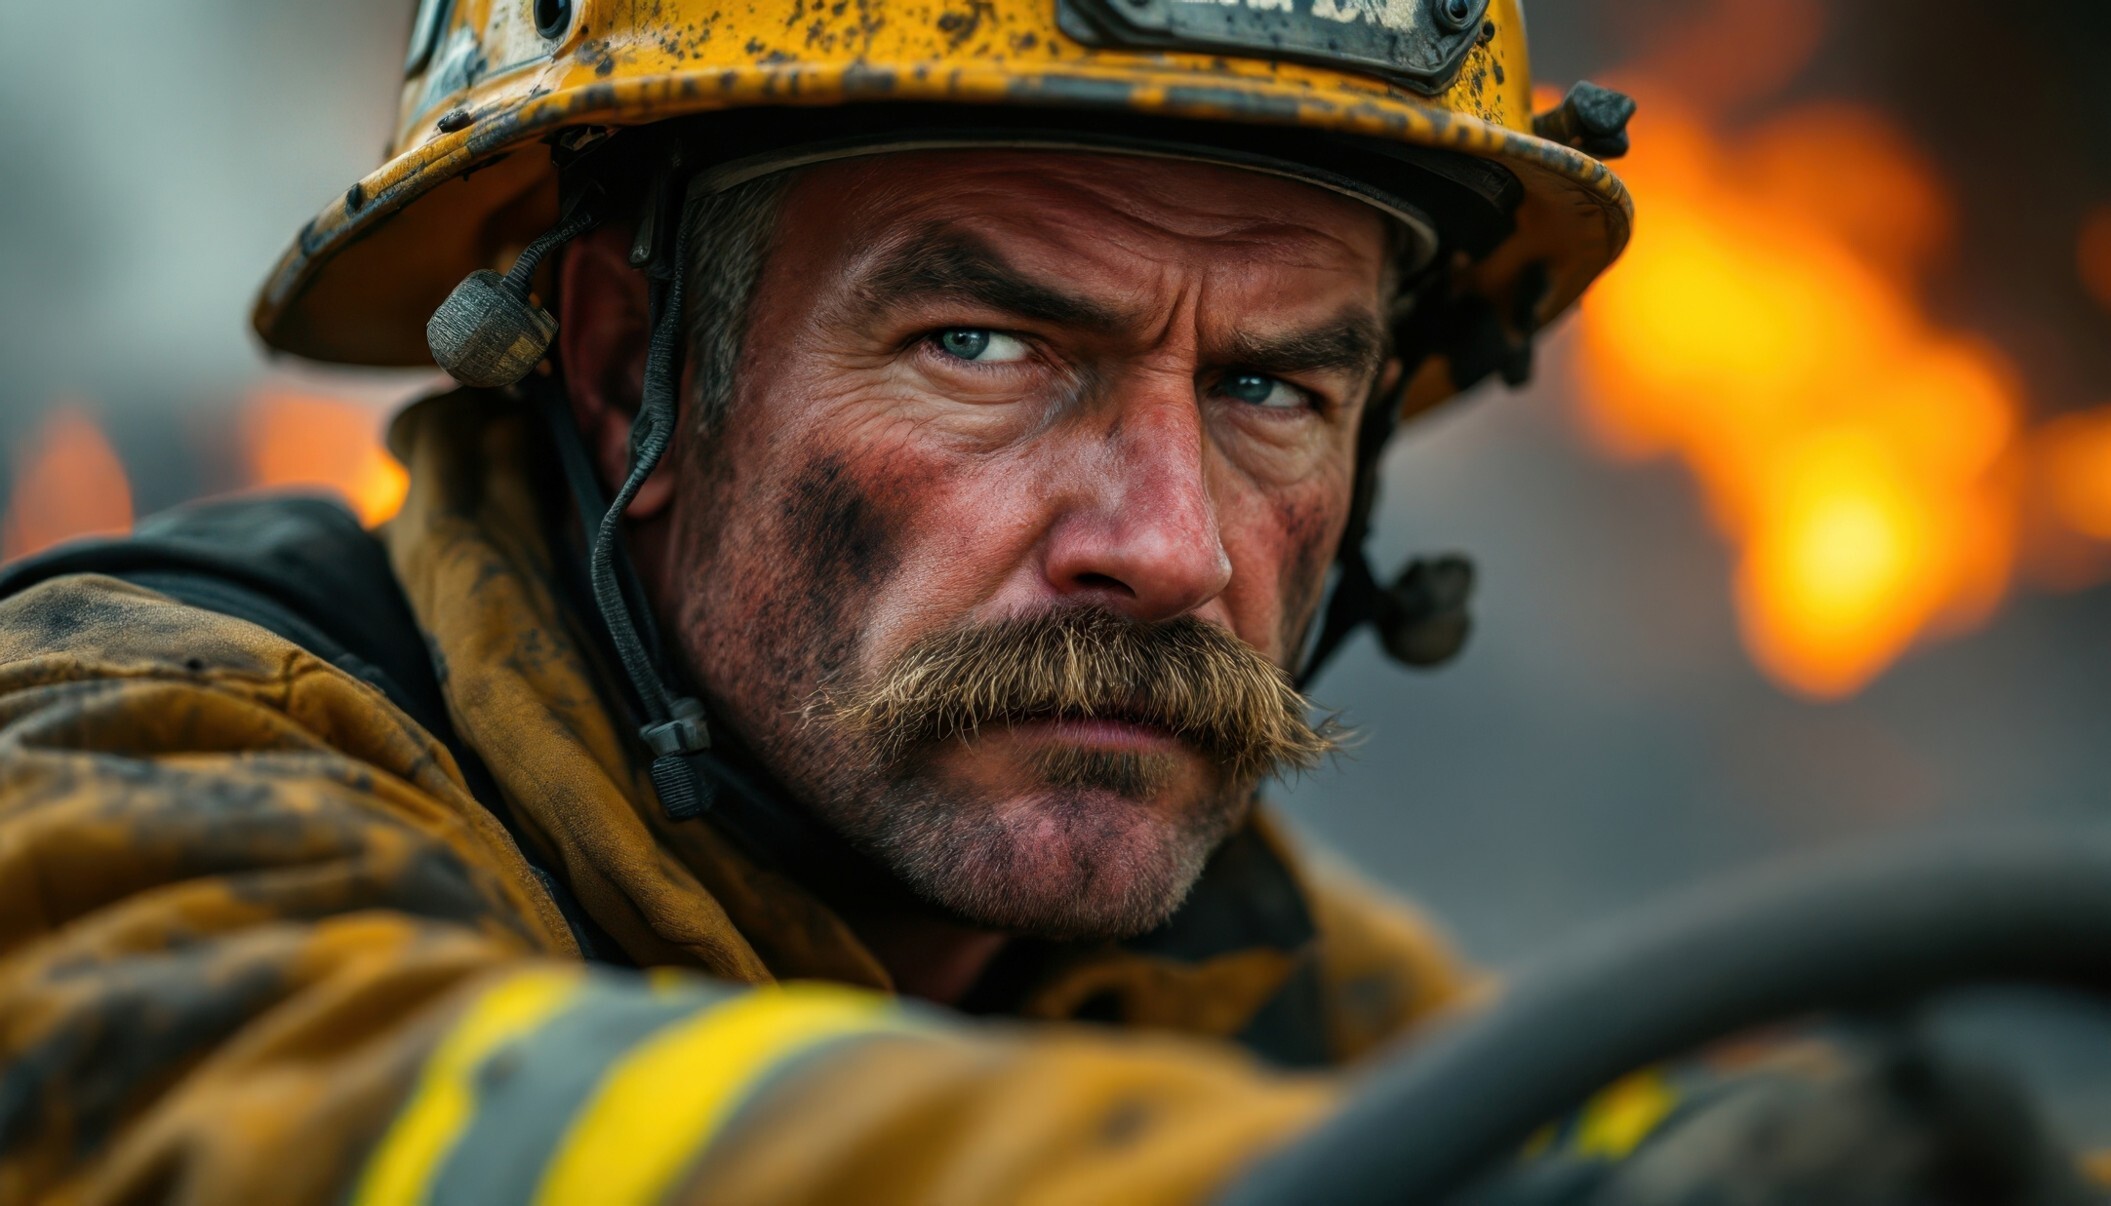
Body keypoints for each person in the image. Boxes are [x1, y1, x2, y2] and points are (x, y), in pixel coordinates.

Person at [3, 1, 2079, 1202]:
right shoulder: (119, 766)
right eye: (990, 347)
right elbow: (341, 1124)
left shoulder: (1243, 991)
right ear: (637, 362)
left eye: (1271, 385)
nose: (1167, 545)